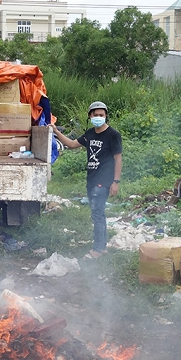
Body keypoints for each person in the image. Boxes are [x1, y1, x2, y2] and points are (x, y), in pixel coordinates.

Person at [51, 101, 122, 259]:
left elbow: (118, 159)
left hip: (104, 180)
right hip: (91, 179)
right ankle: (102, 247)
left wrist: (115, 182)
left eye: (101, 115)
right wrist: (55, 131)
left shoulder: (113, 135)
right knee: (99, 213)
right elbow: (71, 144)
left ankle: (96, 250)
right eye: (95, 115)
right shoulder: (89, 134)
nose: (98, 117)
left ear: (106, 116)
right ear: (90, 116)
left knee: (97, 213)